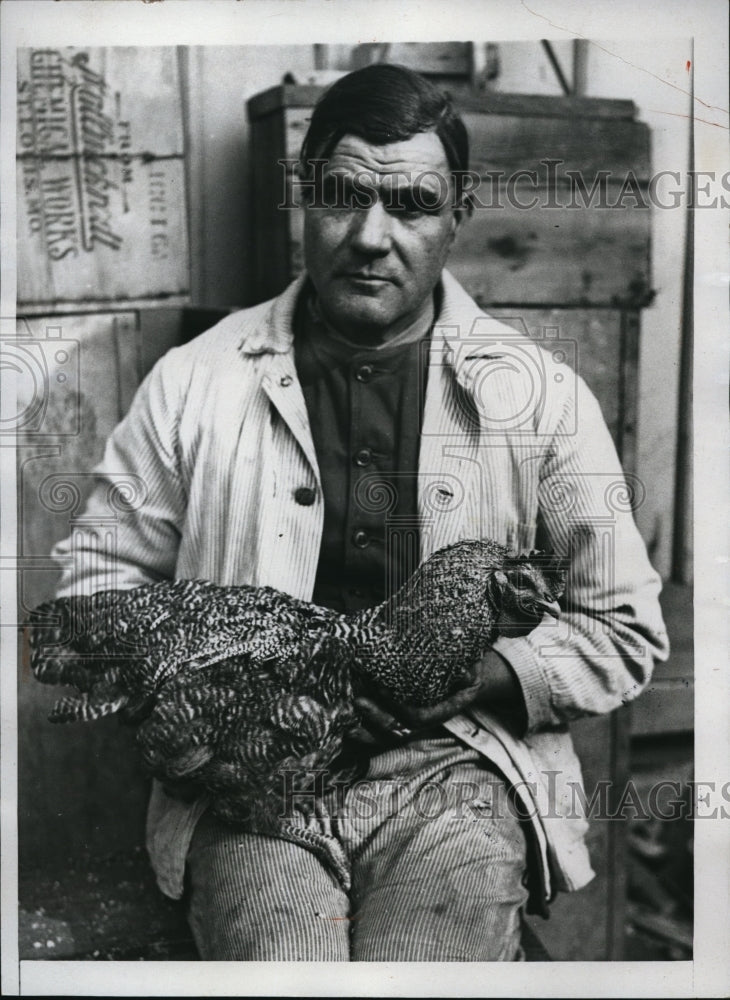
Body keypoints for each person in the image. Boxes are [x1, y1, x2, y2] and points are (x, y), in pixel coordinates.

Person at [51, 64, 669, 961]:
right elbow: (95, 582)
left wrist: (488, 674)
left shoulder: (542, 398)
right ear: (305, 198)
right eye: (342, 195)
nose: (372, 237)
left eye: (413, 205)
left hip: (456, 766)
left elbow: (624, 627)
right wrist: (213, 702)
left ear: (457, 217)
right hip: (255, 781)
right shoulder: (197, 380)